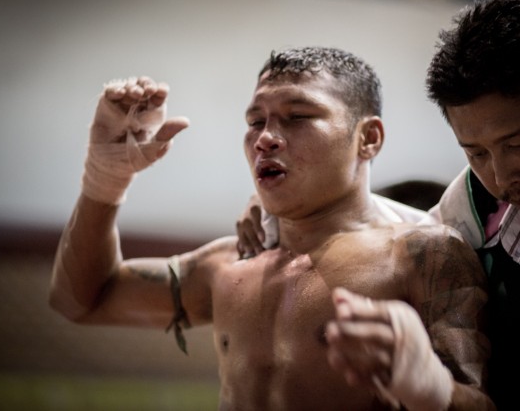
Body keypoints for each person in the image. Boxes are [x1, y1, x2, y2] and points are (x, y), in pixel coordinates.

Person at [235, 0, 520, 410]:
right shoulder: (469, 215)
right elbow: (390, 225)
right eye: (475, 152)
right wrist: (281, 201)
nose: (501, 174)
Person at [48, 47, 495, 410]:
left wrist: (432, 389)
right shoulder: (227, 265)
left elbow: (481, 401)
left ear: (368, 138)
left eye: (298, 116)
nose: (265, 137)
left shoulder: (423, 255)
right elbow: (82, 301)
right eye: (255, 121)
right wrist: (103, 180)